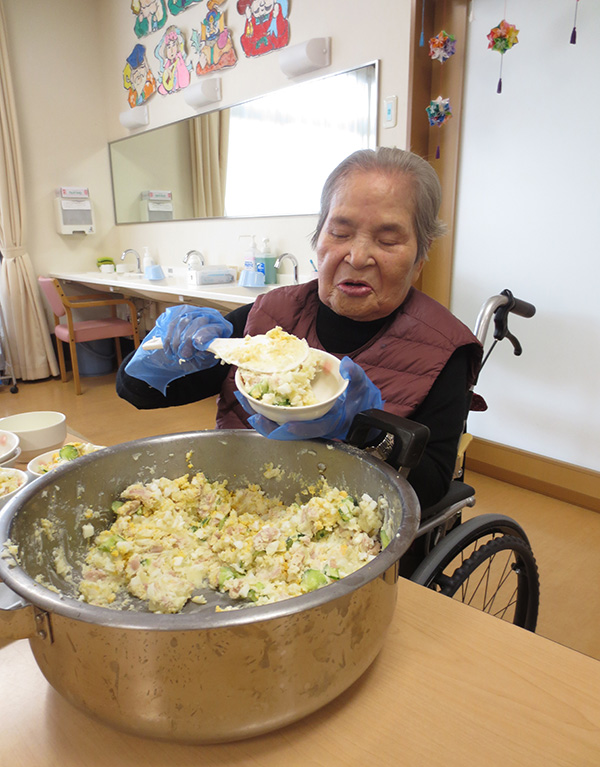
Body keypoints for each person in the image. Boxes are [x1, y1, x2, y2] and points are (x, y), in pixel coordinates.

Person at [117, 147, 482, 510]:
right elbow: (137, 393)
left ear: (421, 255)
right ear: (318, 238)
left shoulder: (444, 348)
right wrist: (163, 353)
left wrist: (369, 435)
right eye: (340, 233)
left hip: (342, 529)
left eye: (388, 240)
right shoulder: (269, 316)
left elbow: (432, 485)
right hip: (237, 507)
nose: (356, 257)